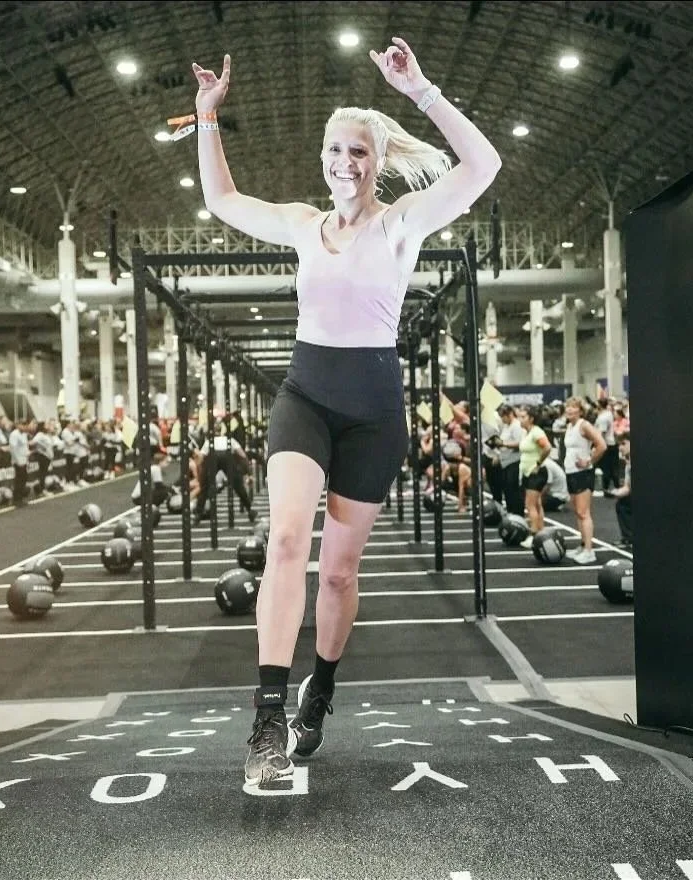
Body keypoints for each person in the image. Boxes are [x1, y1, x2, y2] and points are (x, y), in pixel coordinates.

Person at [191, 37, 501, 786]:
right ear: (324, 159)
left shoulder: (403, 223)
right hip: (305, 394)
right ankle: (266, 720)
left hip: (372, 409)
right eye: (335, 150)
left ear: (377, 157)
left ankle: (318, 692)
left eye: (359, 151)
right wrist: (208, 119)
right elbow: (223, 202)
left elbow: (484, 166)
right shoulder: (302, 223)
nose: (345, 162)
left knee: (337, 573)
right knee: (288, 542)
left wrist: (421, 89)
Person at [561, 397, 607, 563]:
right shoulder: (569, 426)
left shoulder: (584, 425)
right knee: (578, 513)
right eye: (567, 407)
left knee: (583, 512)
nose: (569, 410)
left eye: (573, 407)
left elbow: (601, 445)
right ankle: (582, 545)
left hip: (583, 474)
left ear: (580, 410)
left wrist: (589, 461)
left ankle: (589, 551)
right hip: (571, 472)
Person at [517, 405, 552, 535]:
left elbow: (547, 448)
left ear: (531, 419)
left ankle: (534, 533)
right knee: (536, 504)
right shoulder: (527, 433)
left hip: (536, 472)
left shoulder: (537, 432)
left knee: (530, 505)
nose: (520, 419)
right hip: (528, 472)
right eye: (519, 416)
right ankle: (541, 532)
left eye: (523, 417)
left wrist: (537, 464)